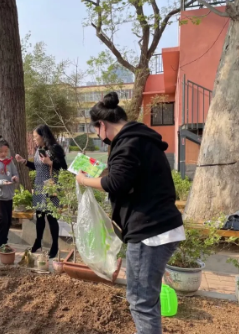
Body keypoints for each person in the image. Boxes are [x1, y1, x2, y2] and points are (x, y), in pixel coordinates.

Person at [75, 92, 184, 334]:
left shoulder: (128, 143)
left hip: (150, 232)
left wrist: (84, 180)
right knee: (146, 299)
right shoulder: (139, 139)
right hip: (159, 228)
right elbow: (125, 179)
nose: (98, 136)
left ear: (102, 125)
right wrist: (101, 176)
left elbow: (117, 184)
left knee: (141, 302)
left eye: (95, 130)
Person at [15, 125, 67, 259]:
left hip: (50, 187)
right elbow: (38, 167)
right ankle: (38, 241)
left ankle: (55, 245)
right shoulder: (39, 149)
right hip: (39, 187)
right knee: (39, 217)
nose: (34, 140)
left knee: (51, 217)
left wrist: (51, 162)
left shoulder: (54, 148)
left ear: (43, 137)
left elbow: (63, 167)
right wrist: (25, 162)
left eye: (36, 137)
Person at [0, 136, 19, 248]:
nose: (3, 153)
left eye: (6, 151)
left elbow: (15, 173)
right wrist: (2, 182)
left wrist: (15, 178)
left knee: (9, 220)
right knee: (2, 219)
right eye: (0, 151)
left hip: (9, 195)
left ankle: (5, 242)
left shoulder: (10, 162)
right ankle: (0, 244)